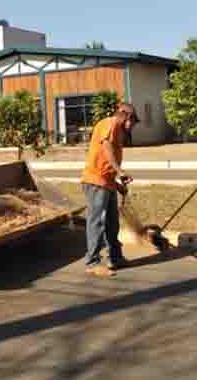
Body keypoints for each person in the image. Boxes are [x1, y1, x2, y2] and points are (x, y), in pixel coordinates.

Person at [81, 103, 139, 277]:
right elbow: (106, 147)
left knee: (112, 222)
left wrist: (117, 184)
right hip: (95, 181)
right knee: (96, 221)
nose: (133, 125)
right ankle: (92, 262)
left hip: (107, 182)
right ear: (125, 115)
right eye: (133, 121)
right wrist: (120, 172)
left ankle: (115, 257)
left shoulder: (119, 131)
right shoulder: (111, 123)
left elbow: (107, 161)